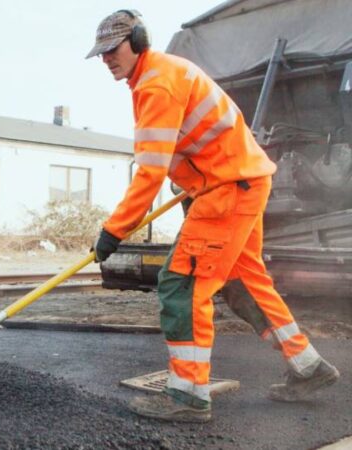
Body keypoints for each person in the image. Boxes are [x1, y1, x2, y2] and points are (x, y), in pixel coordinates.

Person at [86, 10, 340, 422]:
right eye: (101, 53)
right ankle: (309, 367)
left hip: (227, 189)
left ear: (137, 39)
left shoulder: (156, 84)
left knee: (182, 285)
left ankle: (187, 395)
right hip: (239, 183)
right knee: (243, 282)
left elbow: (150, 170)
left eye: (112, 50)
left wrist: (113, 230)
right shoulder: (160, 74)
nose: (106, 59)